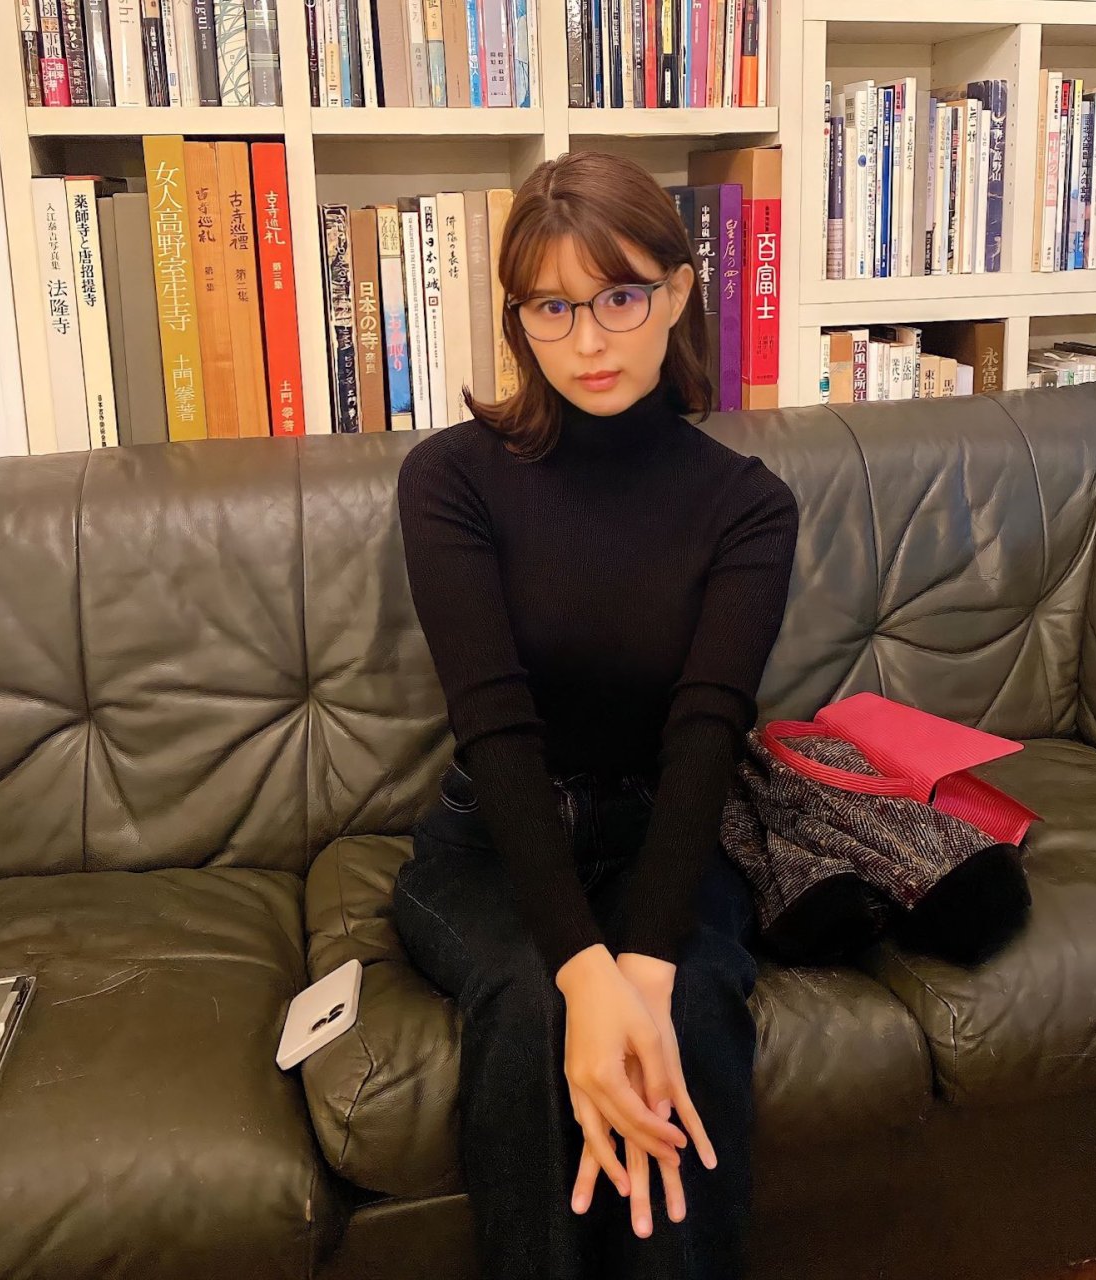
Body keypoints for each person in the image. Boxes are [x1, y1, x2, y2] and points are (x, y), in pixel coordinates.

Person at [392, 148, 800, 1280]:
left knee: (691, 1011)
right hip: (492, 843)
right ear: (519, 320)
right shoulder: (449, 480)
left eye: (619, 297)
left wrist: (648, 964)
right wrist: (584, 967)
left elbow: (706, 734)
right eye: (551, 308)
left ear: (676, 293)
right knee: (535, 1004)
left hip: (664, 837)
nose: (586, 341)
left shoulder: (747, 507)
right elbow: (494, 728)